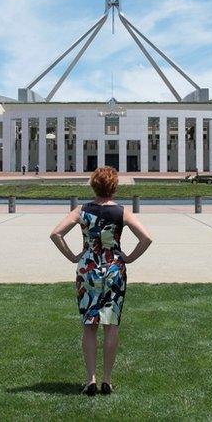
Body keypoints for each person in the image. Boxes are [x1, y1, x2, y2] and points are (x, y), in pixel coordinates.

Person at [49, 166, 154, 396]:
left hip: (88, 270)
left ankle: (90, 380)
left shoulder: (82, 211)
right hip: (114, 270)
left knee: (89, 326)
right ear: (114, 187)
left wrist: (73, 256)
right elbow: (146, 238)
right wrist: (128, 258)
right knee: (111, 325)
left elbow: (56, 234)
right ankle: (107, 379)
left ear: (94, 185)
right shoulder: (122, 212)